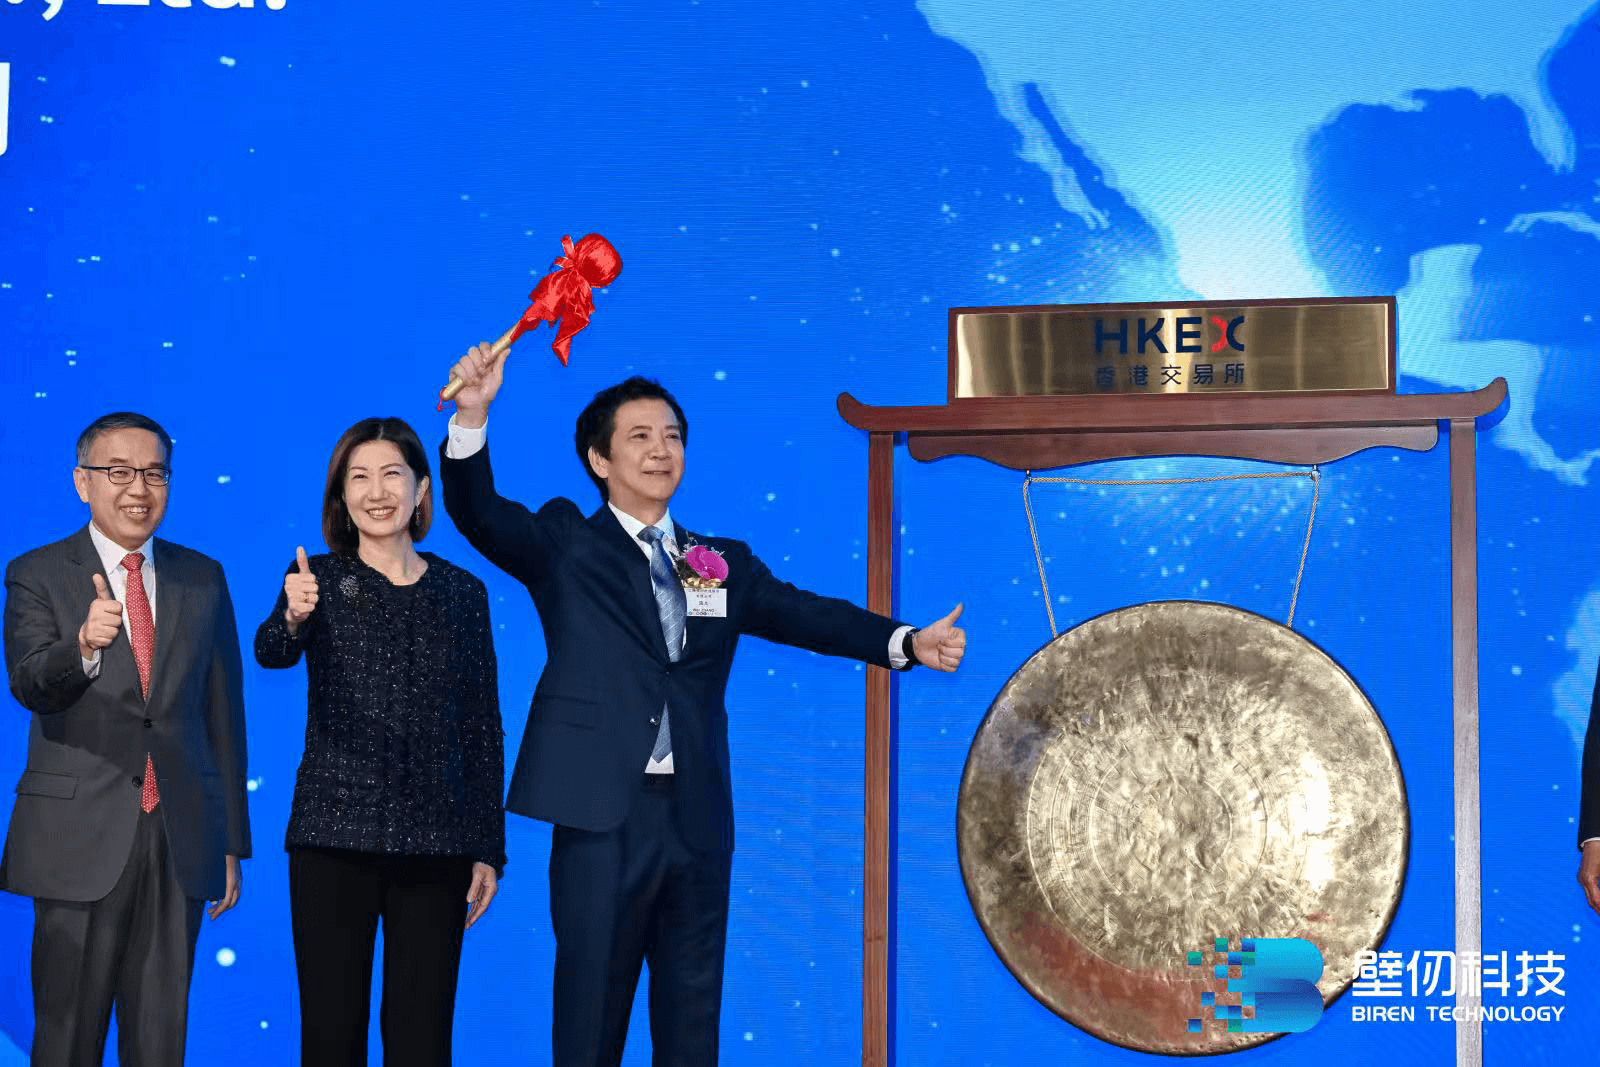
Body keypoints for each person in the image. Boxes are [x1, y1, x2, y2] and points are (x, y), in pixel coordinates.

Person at [439, 344, 967, 1066]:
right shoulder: (566, 543)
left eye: (672, 436)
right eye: (640, 436)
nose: (661, 450)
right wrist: (472, 415)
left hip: (695, 821)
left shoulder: (715, 562)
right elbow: (479, 513)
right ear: (599, 459)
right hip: (600, 818)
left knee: (692, 1030)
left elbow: (806, 615)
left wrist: (904, 641)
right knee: (589, 1025)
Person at [254, 416, 505, 1067]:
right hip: (333, 836)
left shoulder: (463, 592)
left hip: (438, 842)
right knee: (331, 1035)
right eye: (358, 477)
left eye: (392, 474)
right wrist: (293, 615)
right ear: (340, 497)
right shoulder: (315, 578)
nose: (376, 491)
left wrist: (488, 847)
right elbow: (272, 650)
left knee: (422, 1039)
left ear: (421, 488)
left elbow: (481, 724)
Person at [1, 411, 250, 1067]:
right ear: (82, 481)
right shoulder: (36, 572)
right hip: (77, 838)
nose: (139, 488)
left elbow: (223, 715)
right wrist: (83, 647)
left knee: (161, 1042)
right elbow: (29, 681)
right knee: (67, 1041)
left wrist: (229, 839)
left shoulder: (203, 576)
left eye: (154, 473)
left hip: (179, 837)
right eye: (118, 472)